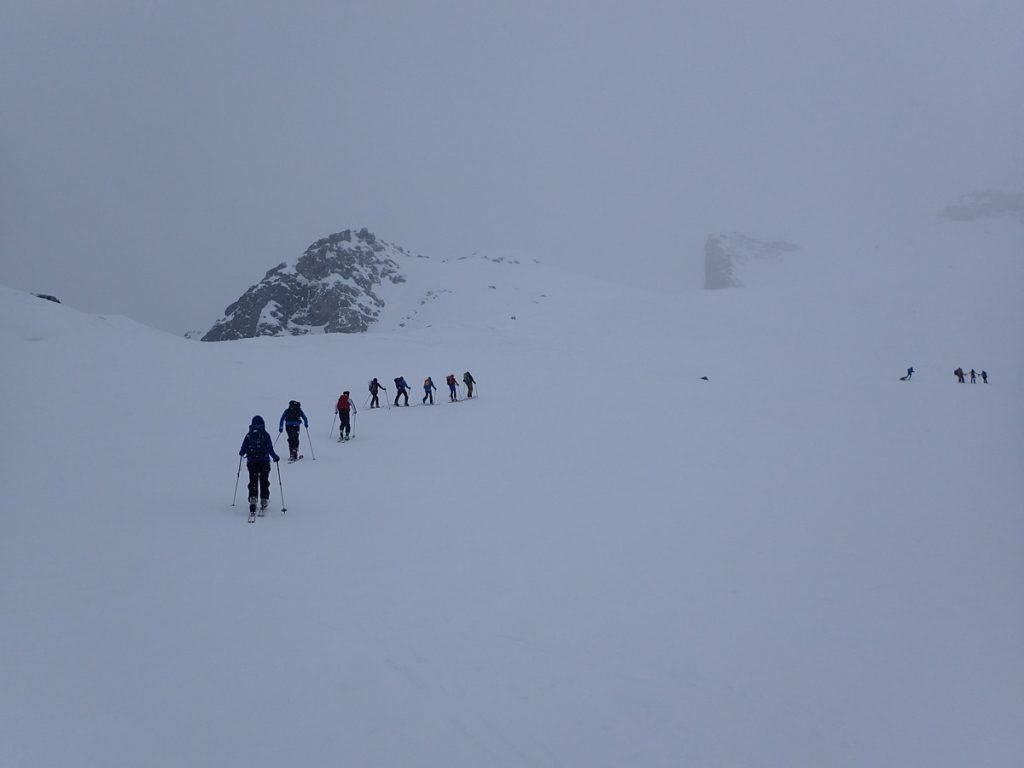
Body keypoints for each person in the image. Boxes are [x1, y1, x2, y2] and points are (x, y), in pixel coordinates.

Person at [239, 415, 280, 519]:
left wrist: (242, 453)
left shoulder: (249, 435)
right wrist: (275, 457)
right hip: (264, 462)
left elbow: (243, 448)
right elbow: (269, 448)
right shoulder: (265, 435)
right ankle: (264, 499)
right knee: (264, 480)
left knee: (253, 480)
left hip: (252, 462)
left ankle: (253, 497)